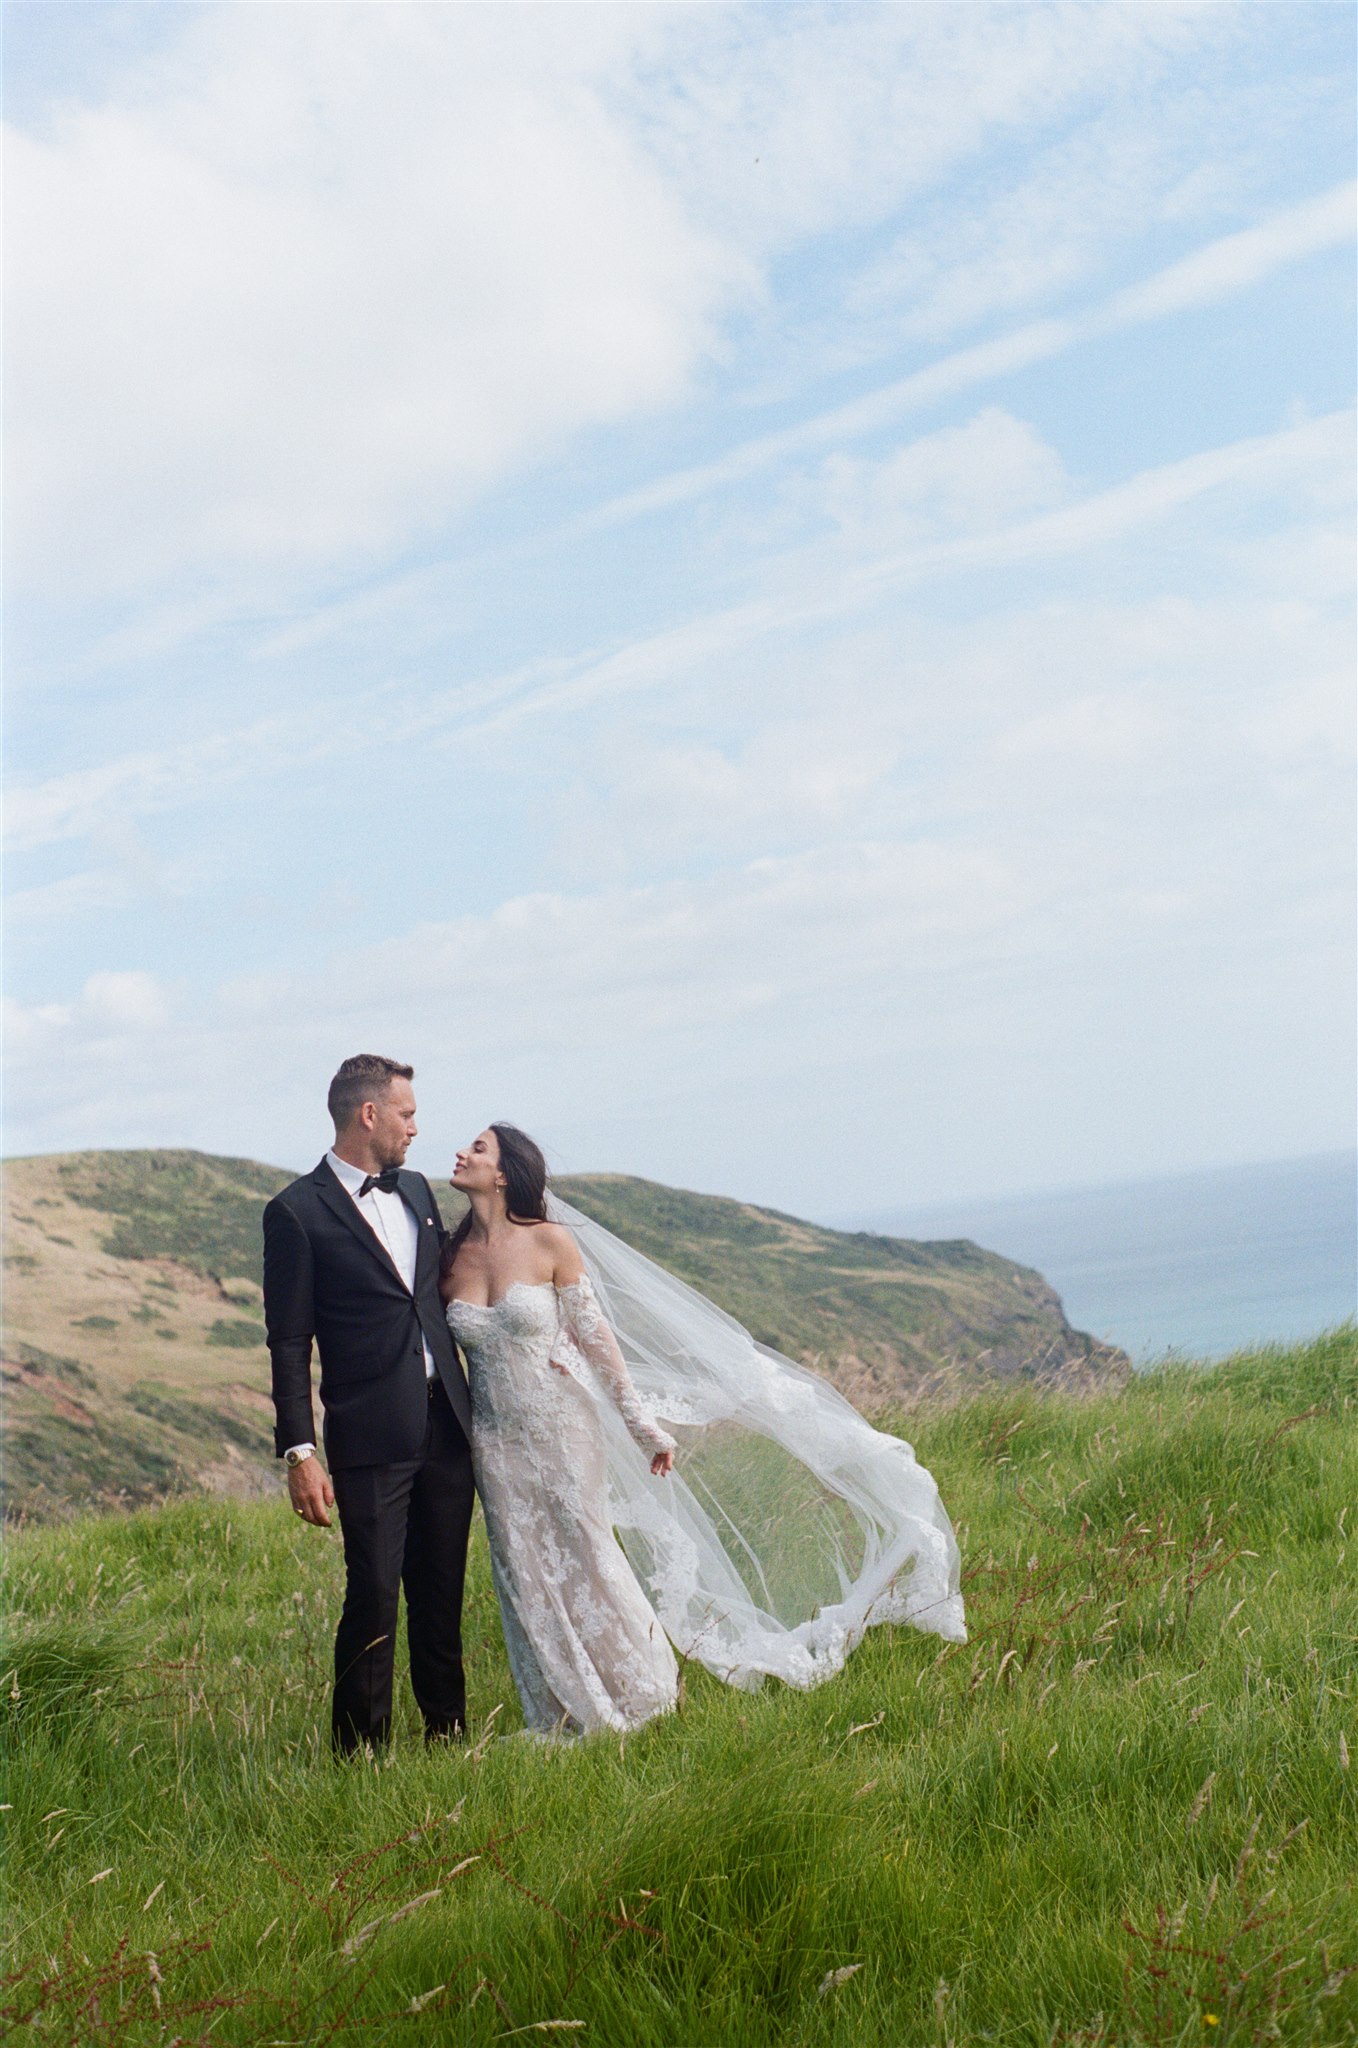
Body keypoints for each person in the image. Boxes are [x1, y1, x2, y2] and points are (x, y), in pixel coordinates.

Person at [443, 1122, 966, 1740]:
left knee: (589, 1556)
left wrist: (642, 1426)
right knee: (521, 1570)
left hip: (564, 1429)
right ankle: (559, 1709)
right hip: (496, 1444)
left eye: (477, 1148)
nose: (460, 1151)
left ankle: (643, 1697)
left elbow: (595, 1338)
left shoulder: (551, 1241)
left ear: (505, 1173)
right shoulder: (451, 1257)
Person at [262, 1055, 475, 1755]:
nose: (417, 1127)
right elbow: (289, 1341)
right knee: (375, 1596)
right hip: (368, 1434)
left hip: (447, 1423)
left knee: (442, 1593)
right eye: (408, 1113)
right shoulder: (294, 1212)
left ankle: (449, 1738)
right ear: (370, 1114)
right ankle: (362, 1758)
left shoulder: (416, 1190)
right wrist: (300, 1451)